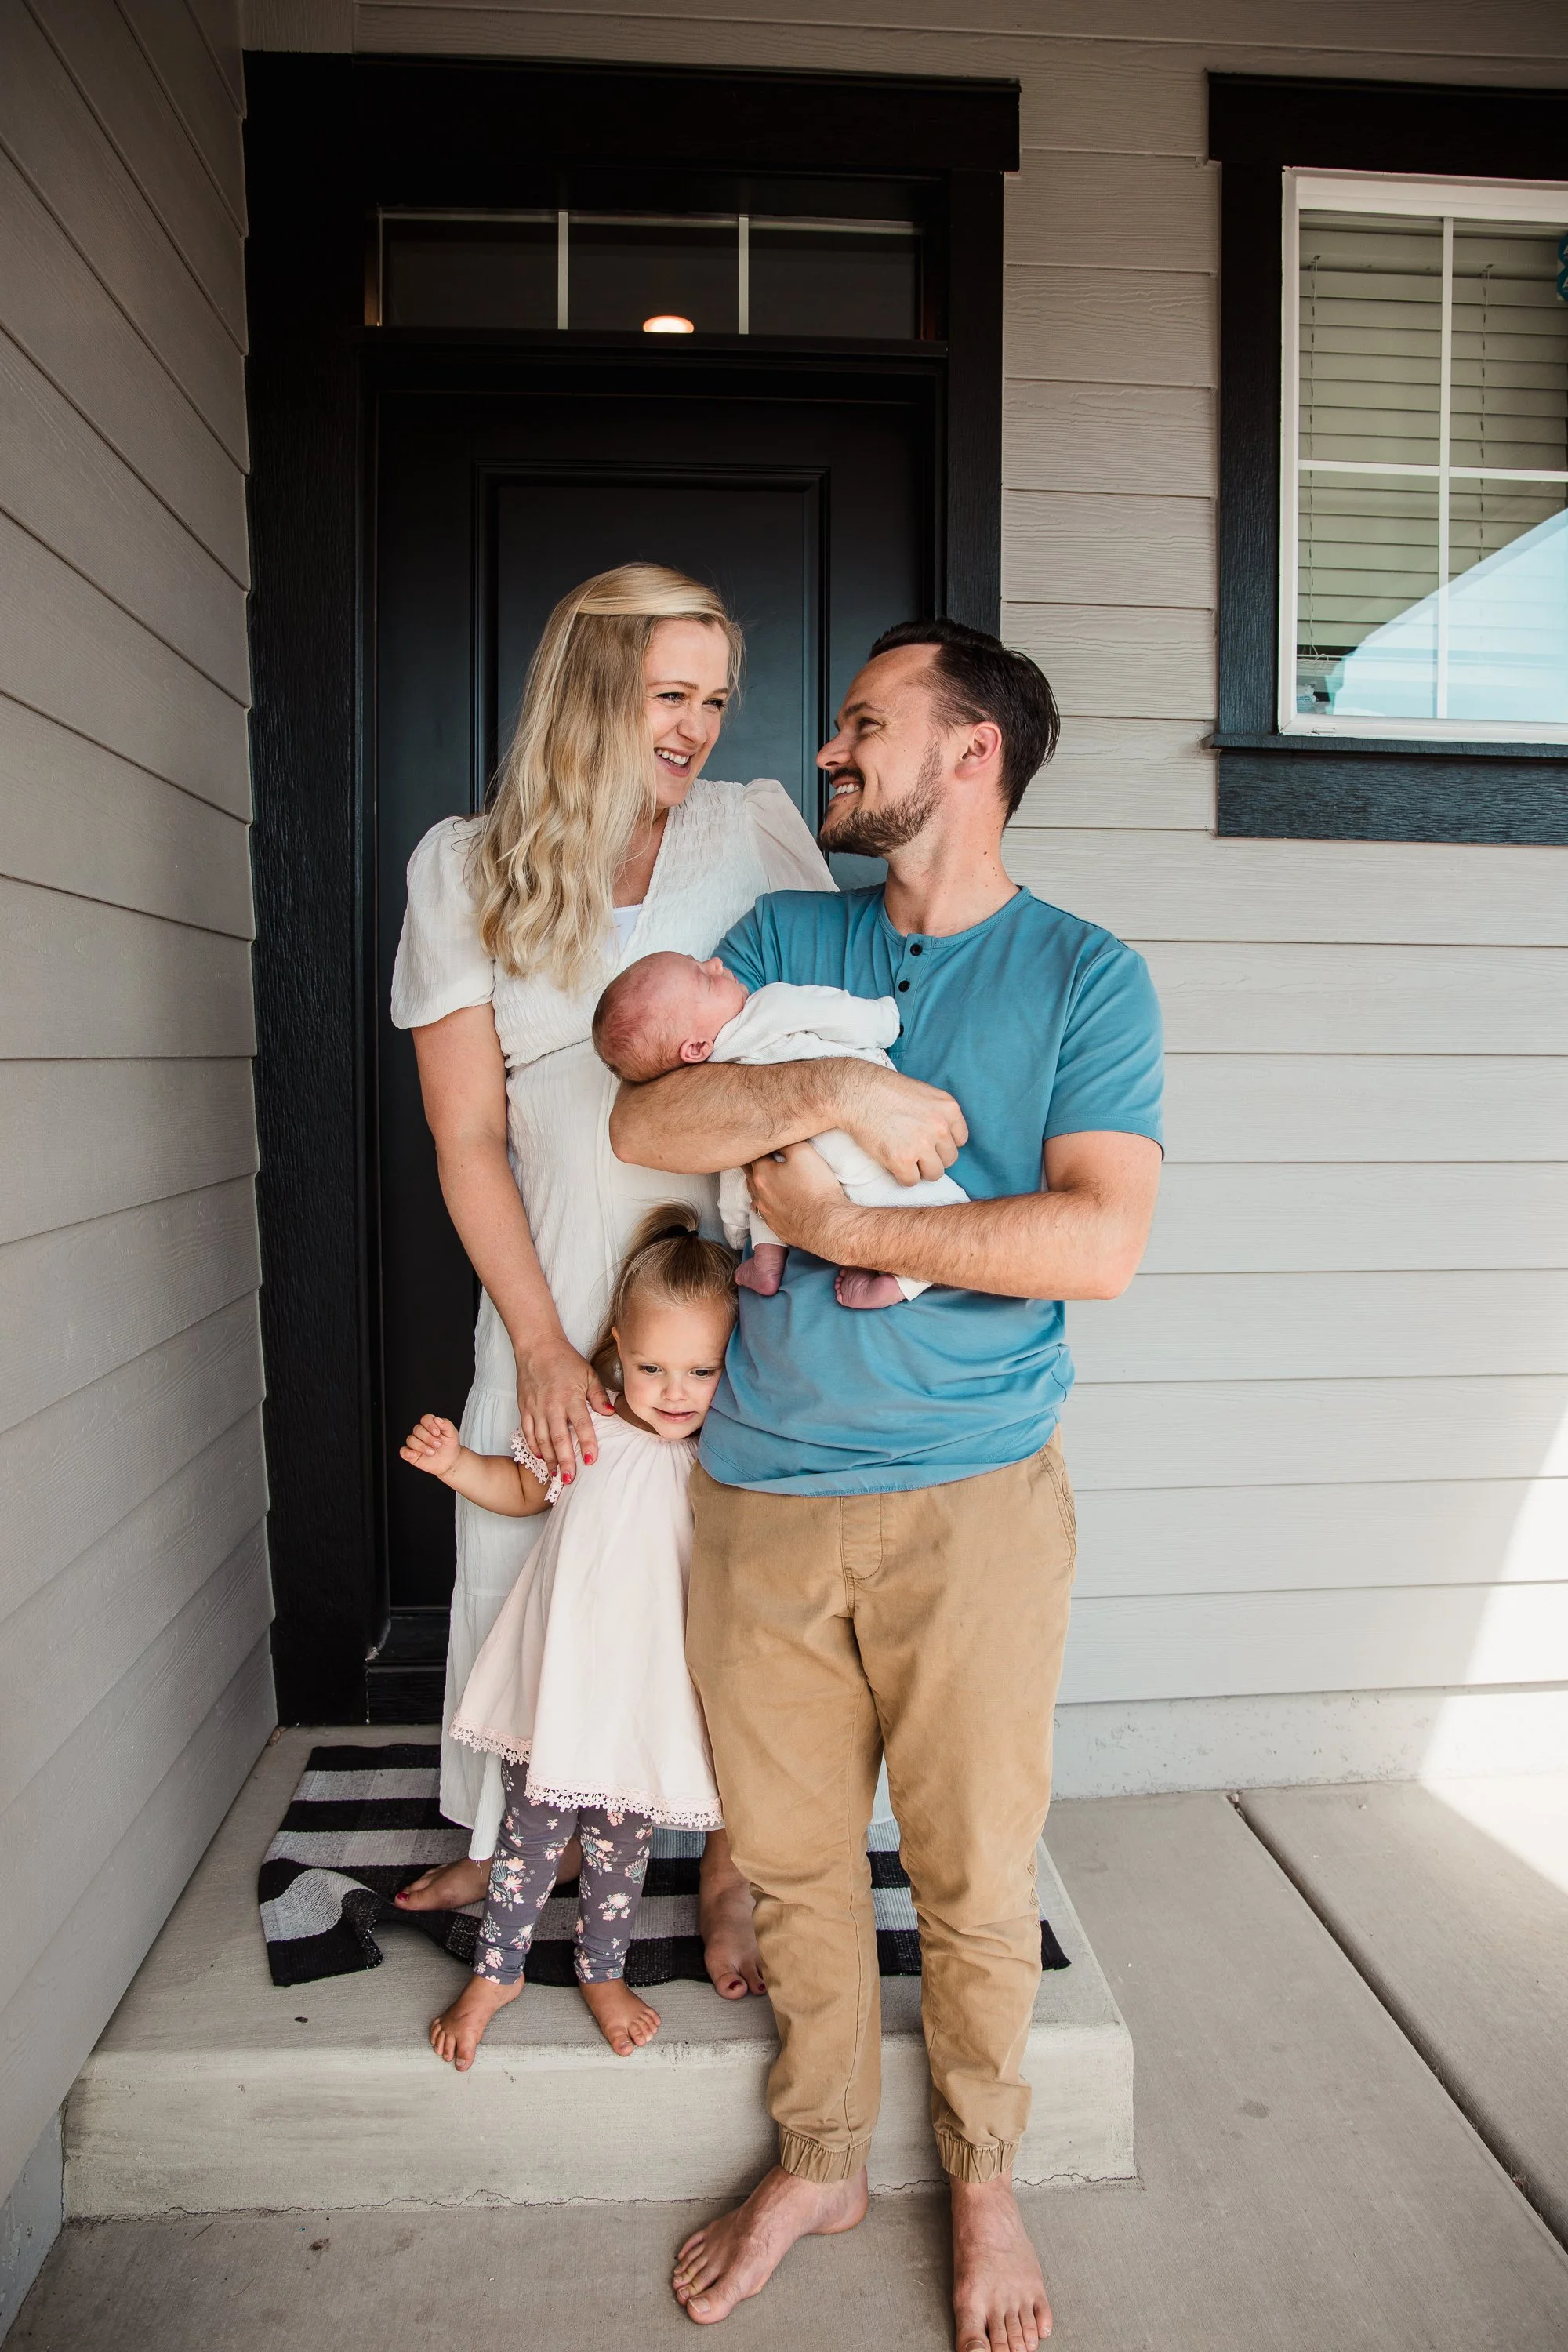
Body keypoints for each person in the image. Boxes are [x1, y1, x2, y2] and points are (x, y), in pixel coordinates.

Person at [608, 618, 1164, 2351]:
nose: (831, 750)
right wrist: (839, 1085)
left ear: (971, 752)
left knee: (975, 1870)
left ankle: (981, 2171)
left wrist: (853, 1226)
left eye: (865, 723)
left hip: (973, 1499)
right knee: (788, 1867)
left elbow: (1098, 1238)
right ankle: (824, 2156)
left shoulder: (1085, 975)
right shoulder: (783, 939)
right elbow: (648, 1126)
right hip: (760, 1499)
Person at [387, 562, 833, 1998]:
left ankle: (732, 1864)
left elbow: (826, 1024)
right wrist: (537, 1338)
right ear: (591, 692)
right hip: (556, 1268)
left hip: (722, 1287)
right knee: (523, 1553)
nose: (697, 725)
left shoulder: (754, 831)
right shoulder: (465, 865)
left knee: (726, 1584)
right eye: (669, 695)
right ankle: (519, 1829)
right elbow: (466, 1137)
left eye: (713, 697)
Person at [401, 1207, 737, 2067]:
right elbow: (519, 1490)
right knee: (530, 1832)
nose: (673, 1390)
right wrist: (455, 1467)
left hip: (642, 1691)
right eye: (652, 1365)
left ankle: (601, 1968)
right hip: (562, 1679)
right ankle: (498, 1968)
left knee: (622, 1847)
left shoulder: (721, 1460)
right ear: (617, 1346)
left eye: (699, 1370)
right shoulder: (588, 1428)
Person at [592, 952, 967, 1306]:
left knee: (760, 1176)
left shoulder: (714, 1081)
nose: (716, 963)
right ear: (694, 1048)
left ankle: (767, 1259)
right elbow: (834, 1012)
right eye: (705, 980)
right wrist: (885, 1019)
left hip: (794, 1174)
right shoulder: (768, 1007)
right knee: (938, 1213)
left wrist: (735, 1228)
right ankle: (903, 1282)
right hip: (863, 1148)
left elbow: (733, 1164)